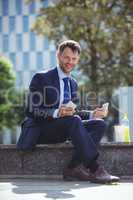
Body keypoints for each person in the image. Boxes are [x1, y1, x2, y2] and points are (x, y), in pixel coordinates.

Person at [17, 40, 120, 183]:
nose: (70, 62)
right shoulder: (42, 78)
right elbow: (31, 110)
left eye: (74, 59)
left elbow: (72, 111)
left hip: (64, 127)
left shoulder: (73, 83)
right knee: (74, 121)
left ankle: (72, 168)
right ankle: (95, 168)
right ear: (58, 56)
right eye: (66, 57)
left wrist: (92, 114)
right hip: (41, 129)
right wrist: (57, 113)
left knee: (99, 124)